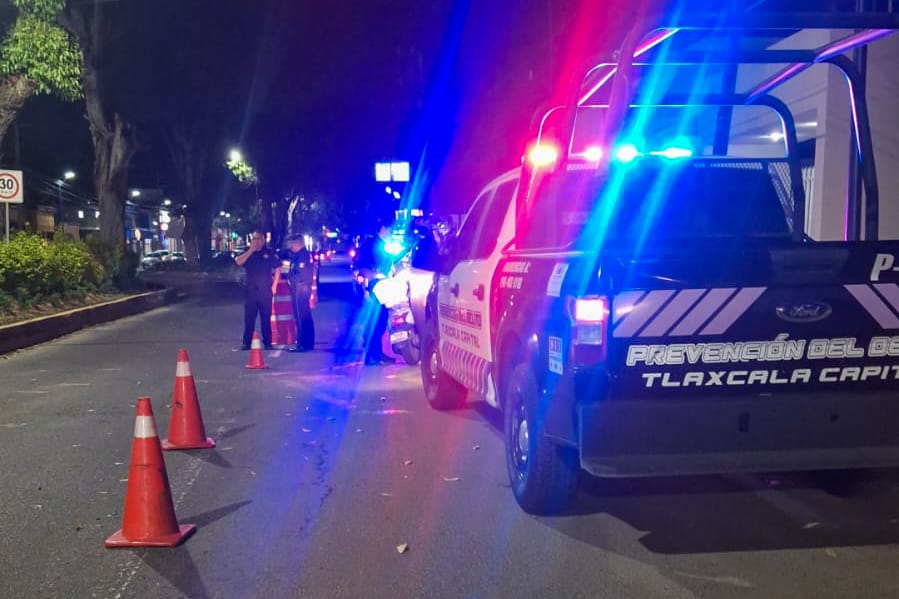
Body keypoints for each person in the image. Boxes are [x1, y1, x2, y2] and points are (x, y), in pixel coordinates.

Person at [356, 215, 397, 365]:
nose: (391, 232)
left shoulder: (384, 245)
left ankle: (377, 353)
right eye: (390, 229)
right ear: (383, 228)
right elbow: (363, 267)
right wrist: (369, 283)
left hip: (382, 287)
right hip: (374, 287)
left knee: (381, 321)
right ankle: (371, 355)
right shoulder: (371, 245)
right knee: (375, 322)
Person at [235, 229, 280, 350]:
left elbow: (277, 269)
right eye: (254, 239)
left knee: (266, 318)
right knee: (249, 318)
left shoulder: (269, 253)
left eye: (259, 239)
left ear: (263, 240)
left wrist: (274, 286)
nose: (256, 241)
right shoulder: (248, 252)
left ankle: (268, 343)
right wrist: (251, 250)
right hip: (251, 291)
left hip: (265, 291)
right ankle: (246, 343)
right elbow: (238, 262)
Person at [279, 234, 318, 352]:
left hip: (300, 289)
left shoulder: (303, 257)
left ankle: (302, 343)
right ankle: (306, 343)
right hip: (299, 289)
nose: (291, 246)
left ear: (299, 244)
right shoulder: (297, 256)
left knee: (301, 317)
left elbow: (301, 274)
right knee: (303, 316)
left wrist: (291, 279)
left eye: (293, 243)